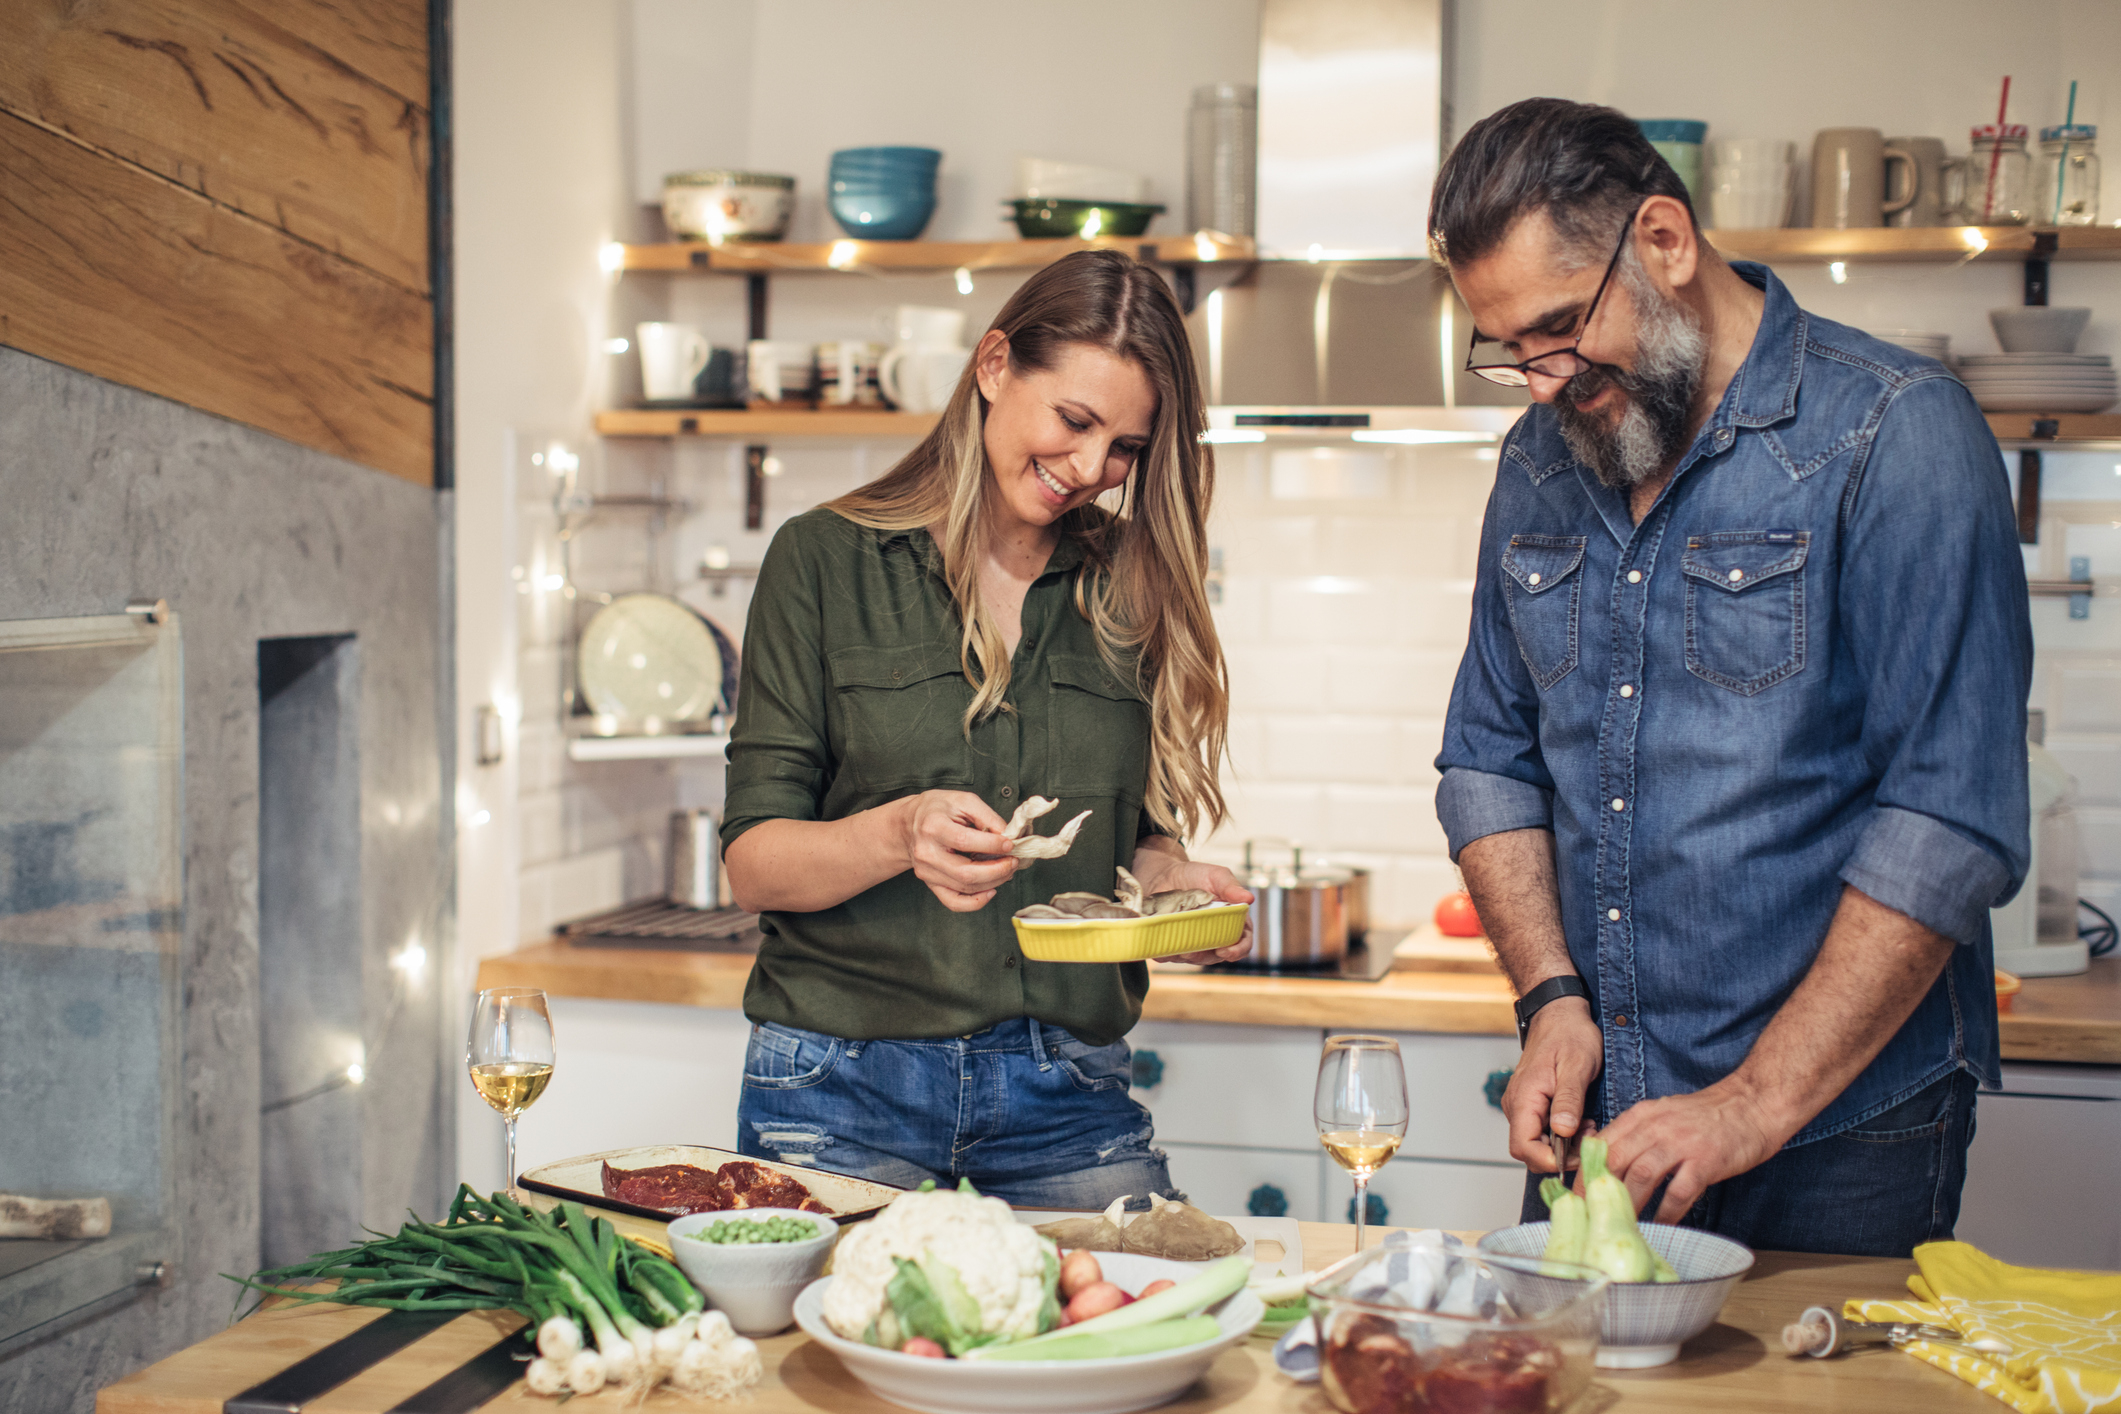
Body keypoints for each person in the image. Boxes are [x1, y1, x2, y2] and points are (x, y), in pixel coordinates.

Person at [1429, 98, 2032, 1255]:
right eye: (1513, 351)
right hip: (1605, 1122)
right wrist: (1550, 997)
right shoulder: (1539, 460)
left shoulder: (1895, 435)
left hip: (1842, 1128)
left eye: (1560, 326)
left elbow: (1950, 819)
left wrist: (1753, 1102)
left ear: (1663, 239)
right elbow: (1489, 757)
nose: (1544, 380)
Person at [719, 250, 1251, 1209]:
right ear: (995, 365)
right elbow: (754, 862)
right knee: (839, 1356)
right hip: (838, 1089)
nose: (1092, 470)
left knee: (1141, 1336)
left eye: (1126, 447)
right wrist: (898, 831)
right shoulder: (824, 561)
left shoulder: (1128, 578)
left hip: (1068, 1094)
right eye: (1075, 421)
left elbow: (1135, 826)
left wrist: (1166, 882)